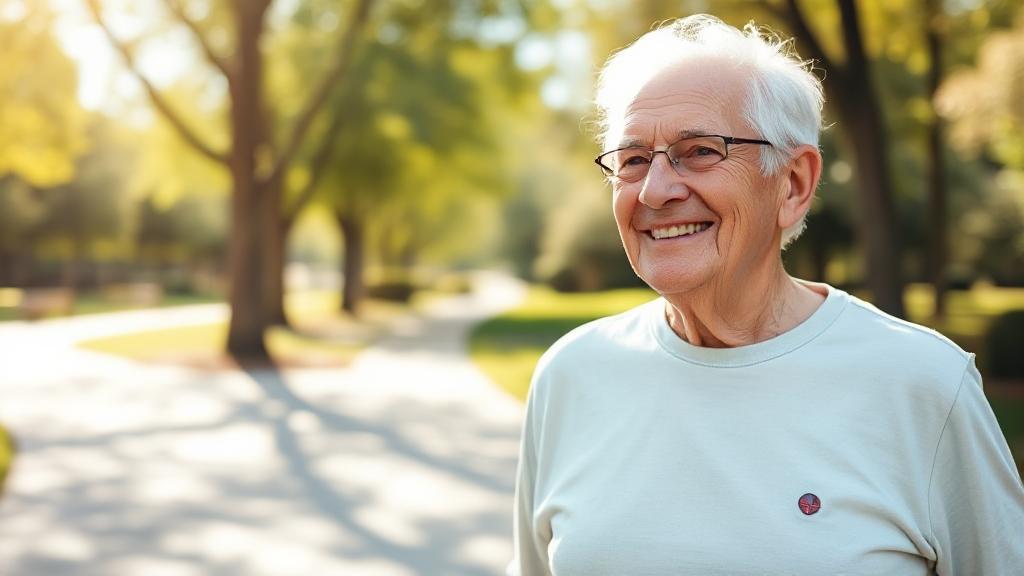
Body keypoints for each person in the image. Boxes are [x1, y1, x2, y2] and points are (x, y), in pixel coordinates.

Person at [507, 15, 1024, 576]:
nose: (655, 190)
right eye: (632, 161)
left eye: (701, 150)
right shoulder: (571, 375)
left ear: (793, 184)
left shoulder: (923, 384)